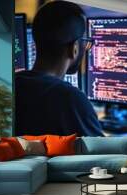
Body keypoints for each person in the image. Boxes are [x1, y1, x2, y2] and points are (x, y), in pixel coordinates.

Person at [15, 1, 103, 137]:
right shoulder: (71, 100)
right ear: (74, 48)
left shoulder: (14, 86)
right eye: (85, 42)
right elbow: (107, 156)